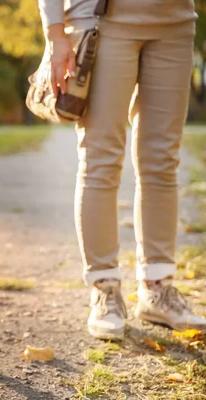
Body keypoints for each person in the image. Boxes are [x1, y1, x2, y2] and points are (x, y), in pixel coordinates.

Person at [38, 0, 206, 340]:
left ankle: (157, 287)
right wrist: (55, 33)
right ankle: (105, 287)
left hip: (174, 22)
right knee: (101, 158)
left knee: (162, 161)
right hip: (103, 20)